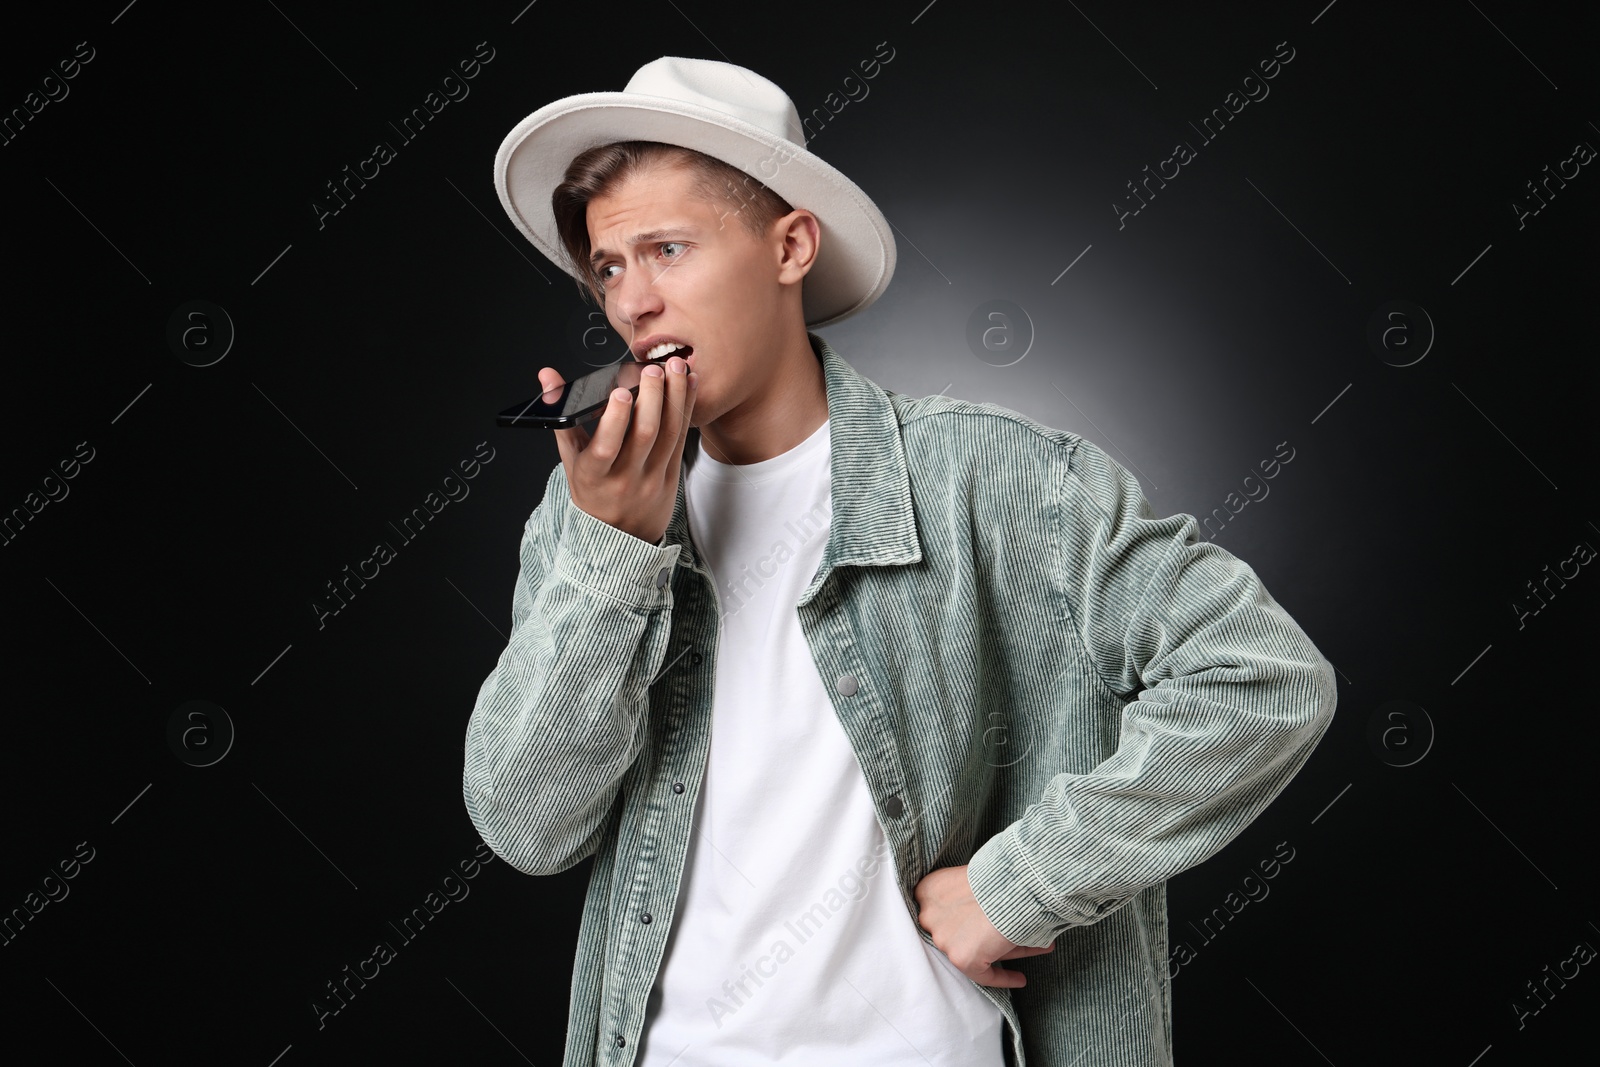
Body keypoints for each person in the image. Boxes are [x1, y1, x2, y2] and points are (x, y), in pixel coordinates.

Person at [463, 56, 1337, 1067]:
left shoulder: (998, 479)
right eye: (610, 267)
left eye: (668, 248)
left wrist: (1026, 884)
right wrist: (612, 550)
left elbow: (1263, 679)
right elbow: (528, 824)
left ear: (789, 245)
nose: (633, 303)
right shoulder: (585, 518)